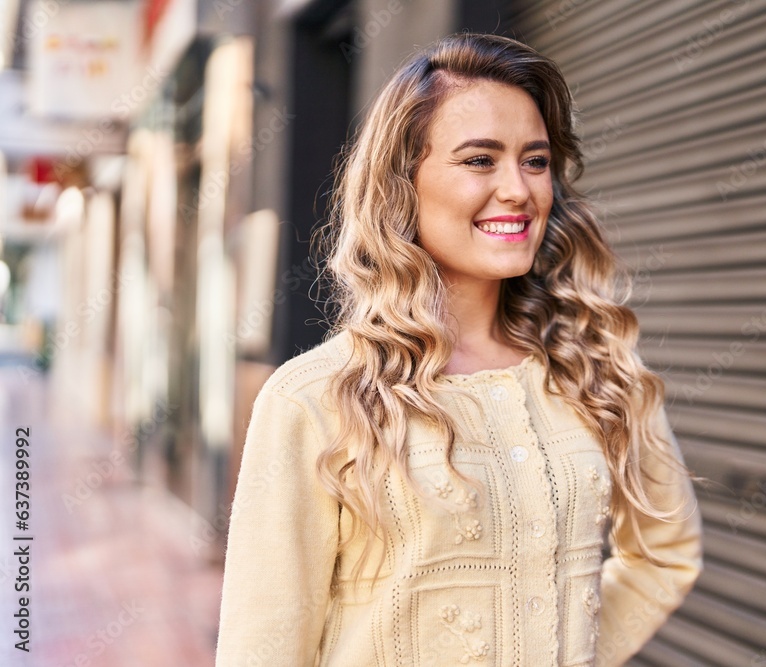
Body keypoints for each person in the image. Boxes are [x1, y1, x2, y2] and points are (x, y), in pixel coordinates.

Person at [215, 32, 702, 667]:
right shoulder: (315, 398)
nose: (518, 190)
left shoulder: (597, 371)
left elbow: (666, 554)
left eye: (535, 160)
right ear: (401, 184)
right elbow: (262, 651)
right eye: (479, 160)